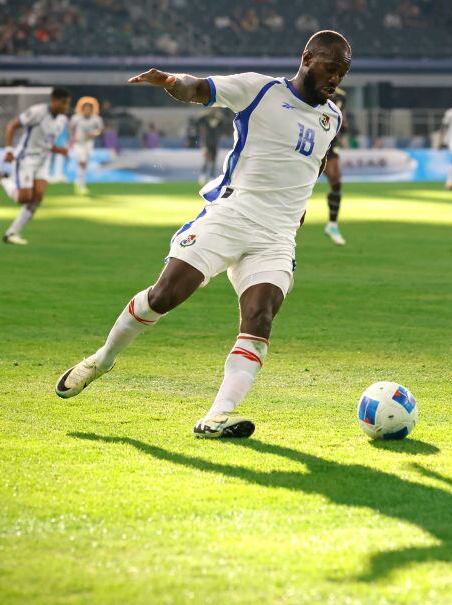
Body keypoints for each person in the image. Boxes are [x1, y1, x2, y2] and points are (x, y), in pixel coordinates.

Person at [55, 30, 351, 439]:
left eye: (343, 72)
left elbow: (314, 163)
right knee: (164, 296)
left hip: (277, 237)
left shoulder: (332, 118)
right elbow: (201, 89)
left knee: (260, 317)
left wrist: (299, 208)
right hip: (231, 215)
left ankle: (215, 418)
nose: (337, 79)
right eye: (331, 68)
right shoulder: (258, 89)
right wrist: (172, 82)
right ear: (307, 58)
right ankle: (103, 359)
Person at [0, 87, 71, 245]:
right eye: (64, 103)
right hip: (26, 159)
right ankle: (4, 180)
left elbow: (47, 142)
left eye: (68, 104)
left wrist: (59, 150)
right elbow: (11, 126)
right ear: (54, 100)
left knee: (37, 197)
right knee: (24, 198)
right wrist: (9, 150)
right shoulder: (38, 112)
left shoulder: (62, 120)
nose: (66, 107)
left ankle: (12, 233)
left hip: (43, 161)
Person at [322, 86, 347, 245]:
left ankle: (332, 224)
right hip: (311, 140)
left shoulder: (342, 96)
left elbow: (341, 117)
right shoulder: (314, 89)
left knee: (336, 180)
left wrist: (344, 126)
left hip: (330, 144)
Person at [69, 97, 104, 195]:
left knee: (85, 164)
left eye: (89, 109)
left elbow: (100, 130)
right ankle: (81, 184)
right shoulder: (76, 118)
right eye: (86, 108)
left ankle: (78, 182)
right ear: (82, 108)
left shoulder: (96, 119)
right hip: (79, 143)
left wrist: (94, 134)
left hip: (89, 143)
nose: (87, 111)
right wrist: (72, 137)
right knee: (82, 162)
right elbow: (71, 128)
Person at [196, 106, 230, 185]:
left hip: (215, 142)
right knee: (207, 159)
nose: (213, 110)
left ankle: (211, 176)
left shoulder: (219, 118)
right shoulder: (205, 117)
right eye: (212, 108)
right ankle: (203, 175)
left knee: (214, 160)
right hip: (206, 141)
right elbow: (198, 121)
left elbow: (224, 126)